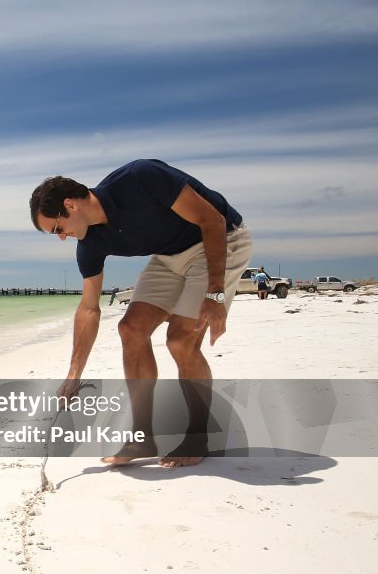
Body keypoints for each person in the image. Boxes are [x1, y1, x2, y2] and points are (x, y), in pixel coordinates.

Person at [29, 159, 253, 467]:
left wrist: (215, 293)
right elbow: (89, 308)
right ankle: (142, 437)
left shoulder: (139, 178)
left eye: (57, 228)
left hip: (219, 239)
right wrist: (73, 376)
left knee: (180, 341)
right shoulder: (91, 244)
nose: (62, 237)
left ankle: (198, 436)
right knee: (130, 329)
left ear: (71, 204)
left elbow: (211, 219)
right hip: (169, 256)